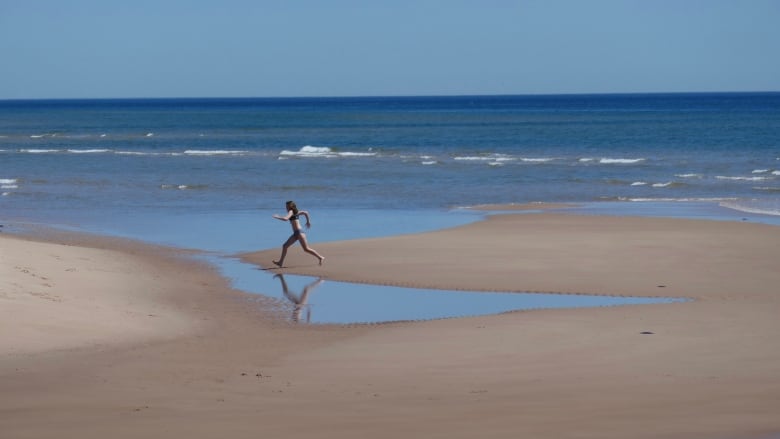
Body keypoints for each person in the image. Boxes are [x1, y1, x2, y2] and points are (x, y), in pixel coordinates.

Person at [272, 200, 324, 267]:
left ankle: (320, 257)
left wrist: (277, 216)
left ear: (290, 206)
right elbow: (305, 212)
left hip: (299, 233)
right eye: (286, 206)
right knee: (285, 246)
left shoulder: (291, 212)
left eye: (287, 206)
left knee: (306, 249)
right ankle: (280, 262)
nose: (286, 208)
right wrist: (308, 222)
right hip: (296, 234)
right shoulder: (296, 212)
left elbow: (285, 219)